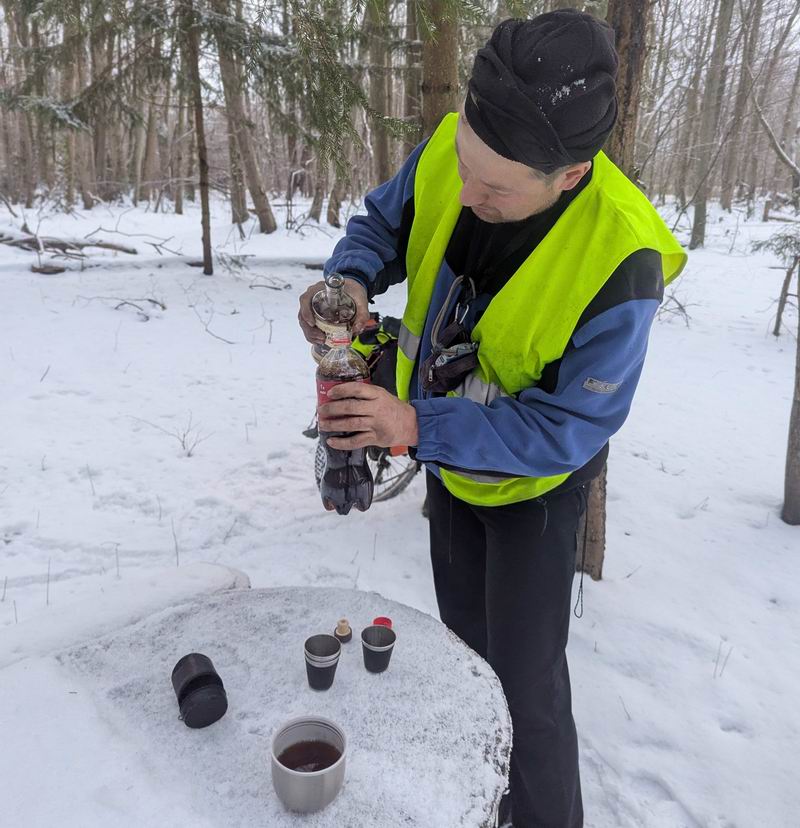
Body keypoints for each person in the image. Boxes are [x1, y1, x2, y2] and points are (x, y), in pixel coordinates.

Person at [299, 9, 687, 827]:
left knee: (526, 688)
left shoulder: (622, 261)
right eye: (465, 167)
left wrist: (413, 426)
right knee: (463, 656)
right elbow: (382, 222)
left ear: (570, 176)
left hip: (534, 495)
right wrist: (355, 282)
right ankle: (479, 801)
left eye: (496, 189)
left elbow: (562, 431)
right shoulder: (462, 142)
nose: (468, 198)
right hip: (447, 460)